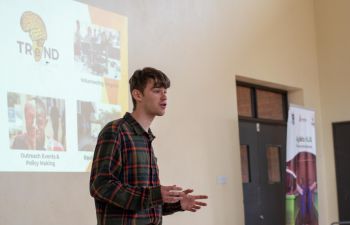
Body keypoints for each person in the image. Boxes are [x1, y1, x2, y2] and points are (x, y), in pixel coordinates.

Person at [90, 67, 208, 225]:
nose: (164, 96)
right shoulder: (116, 131)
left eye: (165, 91)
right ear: (137, 95)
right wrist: (154, 195)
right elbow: (101, 186)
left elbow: (145, 203)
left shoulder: (145, 138)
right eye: (157, 91)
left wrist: (178, 204)